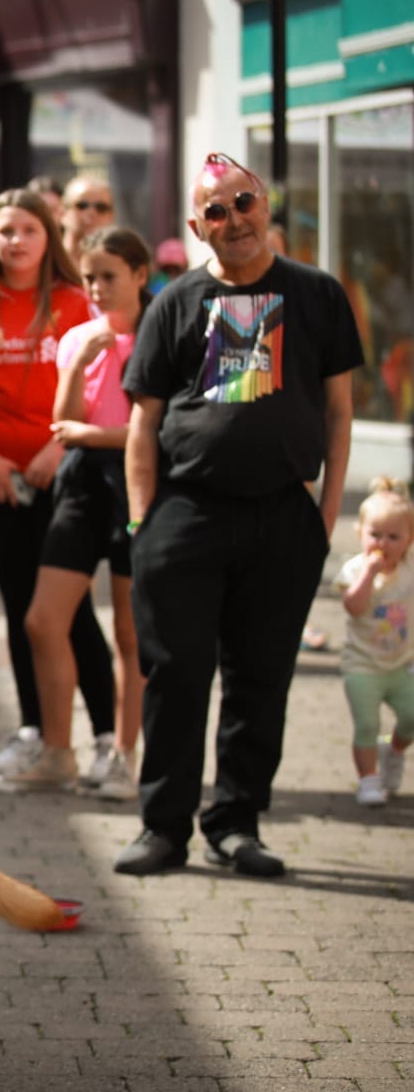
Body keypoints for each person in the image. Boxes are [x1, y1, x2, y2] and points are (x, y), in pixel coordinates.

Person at [116, 151, 362, 878]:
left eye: (243, 202)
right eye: (215, 212)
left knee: (260, 681)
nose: (234, 220)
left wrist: (324, 517)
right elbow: (143, 424)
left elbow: (341, 414)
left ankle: (236, 822)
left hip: (285, 517)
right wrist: (141, 525)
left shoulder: (318, 294)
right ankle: (163, 828)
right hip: (185, 515)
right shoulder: (175, 302)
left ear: (266, 204)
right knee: (178, 675)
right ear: (197, 227)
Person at [0, 188, 116, 776]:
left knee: (70, 613)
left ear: (49, 236)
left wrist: (55, 447)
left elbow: (100, 392)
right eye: (4, 230)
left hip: (64, 476)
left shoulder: (75, 302)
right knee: (19, 608)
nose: (15, 241)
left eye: (27, 230)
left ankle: (108, 739)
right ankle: (36, 732)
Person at [0, 226, 152, 797]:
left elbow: (157, 430)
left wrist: (95, 433)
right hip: (82, 481)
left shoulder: (161, 333)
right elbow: (63, 422)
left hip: (138, 484)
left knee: (132, 631)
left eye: (109, 276)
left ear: (139, 274)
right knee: (42, 618)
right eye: (89, 278)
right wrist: (78, 360)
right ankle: (59, 752)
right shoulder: (80, 336)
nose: (97, 288)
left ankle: (122, 755)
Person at [335, 477, 414, 807]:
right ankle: (368, 779)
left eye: (394, 537)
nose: (383, 543)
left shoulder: (410, 568)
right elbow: (353, 606)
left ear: (409, 540)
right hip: (362, 665)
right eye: (375, 534)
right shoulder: (354, 570)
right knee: (366, 723)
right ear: (360, 533)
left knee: (411, 718)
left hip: (400, 664)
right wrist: (369, 574)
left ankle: (393, 749)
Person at [60, 174, 115, 268]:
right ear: (63, 211)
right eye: (82, 205)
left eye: (101, 207)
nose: (91, 212)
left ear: (111, 215)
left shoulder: (121, 265)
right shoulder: (46, 260)